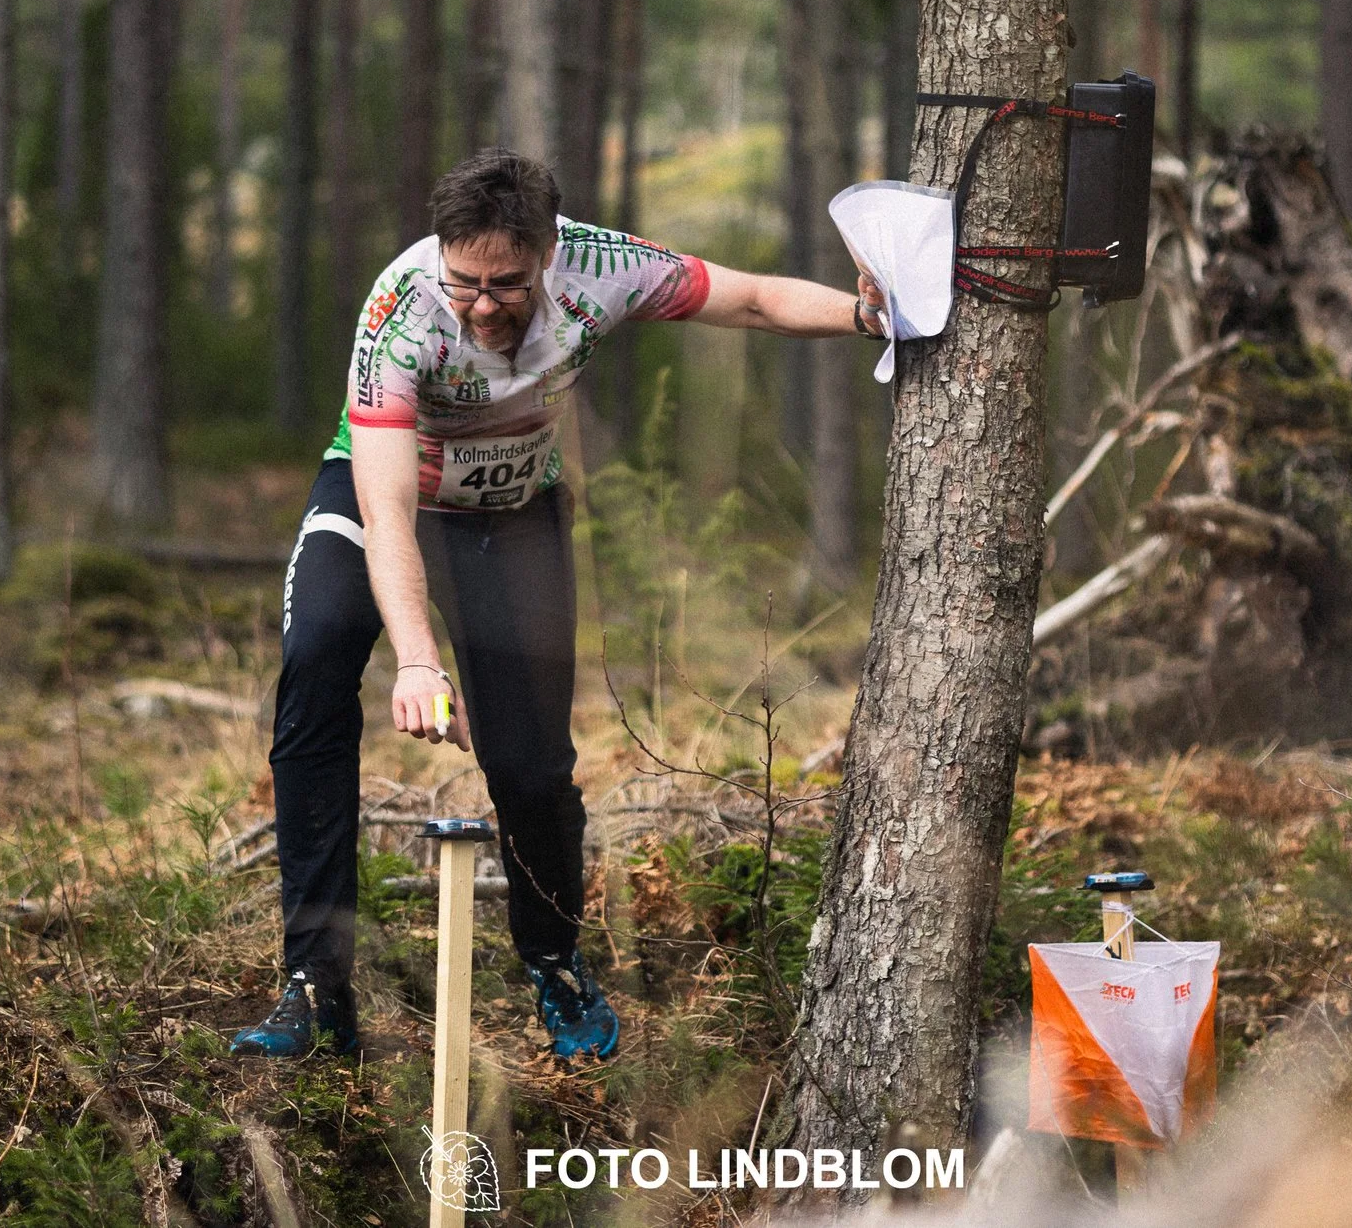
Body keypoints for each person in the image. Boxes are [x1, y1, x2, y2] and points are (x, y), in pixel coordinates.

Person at [232, 149, 888, 1062]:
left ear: (548, 252)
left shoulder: (602, 268)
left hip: (510, 512)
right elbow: (386, 516)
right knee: (316, 658)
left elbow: (749, 298)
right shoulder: (400, 311)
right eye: (466, 281)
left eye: (506, 282)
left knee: (534, 764)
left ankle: (554, 957)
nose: (485, 303)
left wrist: (863, 315)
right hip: (383, 494)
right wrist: (419, 658)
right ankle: (316, 981)